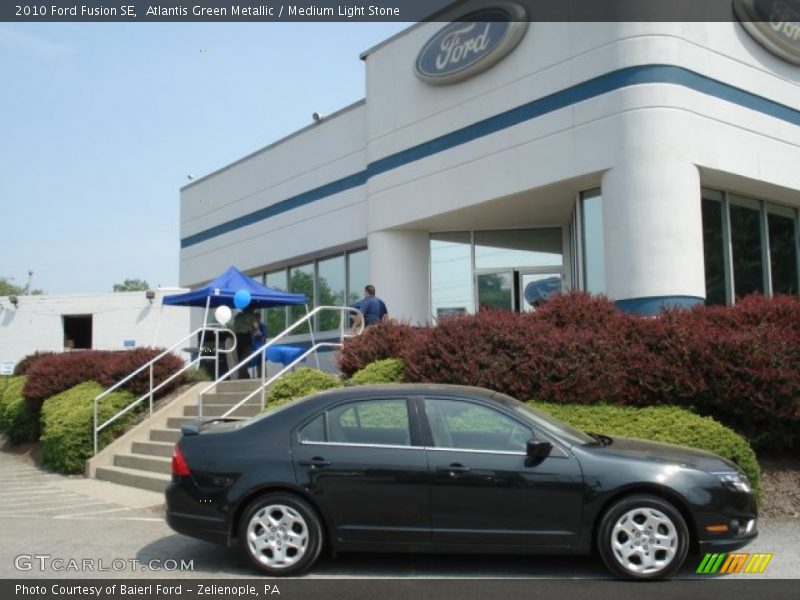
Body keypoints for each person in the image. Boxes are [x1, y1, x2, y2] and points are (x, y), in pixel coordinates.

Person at [232, 307, 253, 379]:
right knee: (245, 358)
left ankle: (244, 375)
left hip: (237, 338)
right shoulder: (251, 316)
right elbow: (256, 326)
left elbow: (235, 327)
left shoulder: (238, 316)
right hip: (246, 338)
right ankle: (243, 376)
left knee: (239, 358)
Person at [249, 312, 267, 378]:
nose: (257, 320)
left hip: (260, 346)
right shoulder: (250, 327)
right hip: (252, 347)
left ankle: (262, 376)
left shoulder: (263, 326)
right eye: (255, 319)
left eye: (258, 319)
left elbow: (263, 337)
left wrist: (257, 329)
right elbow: (250, 337)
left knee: (261, 361)